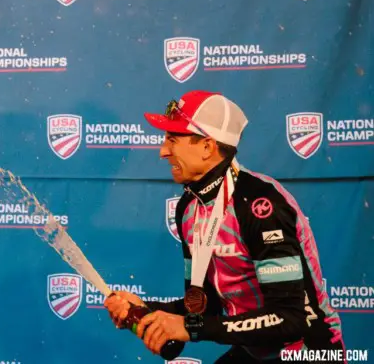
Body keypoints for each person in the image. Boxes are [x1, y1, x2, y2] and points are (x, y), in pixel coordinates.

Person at [104, 90, 345, 363]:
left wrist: (190, 328)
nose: (162, 151)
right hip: (256, 349)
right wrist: (145, 312)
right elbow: (204, 308)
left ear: (207, 146)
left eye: (172, 139)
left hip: (306, 350)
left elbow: (290, 320)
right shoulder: (188, 208)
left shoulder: (259, 205)